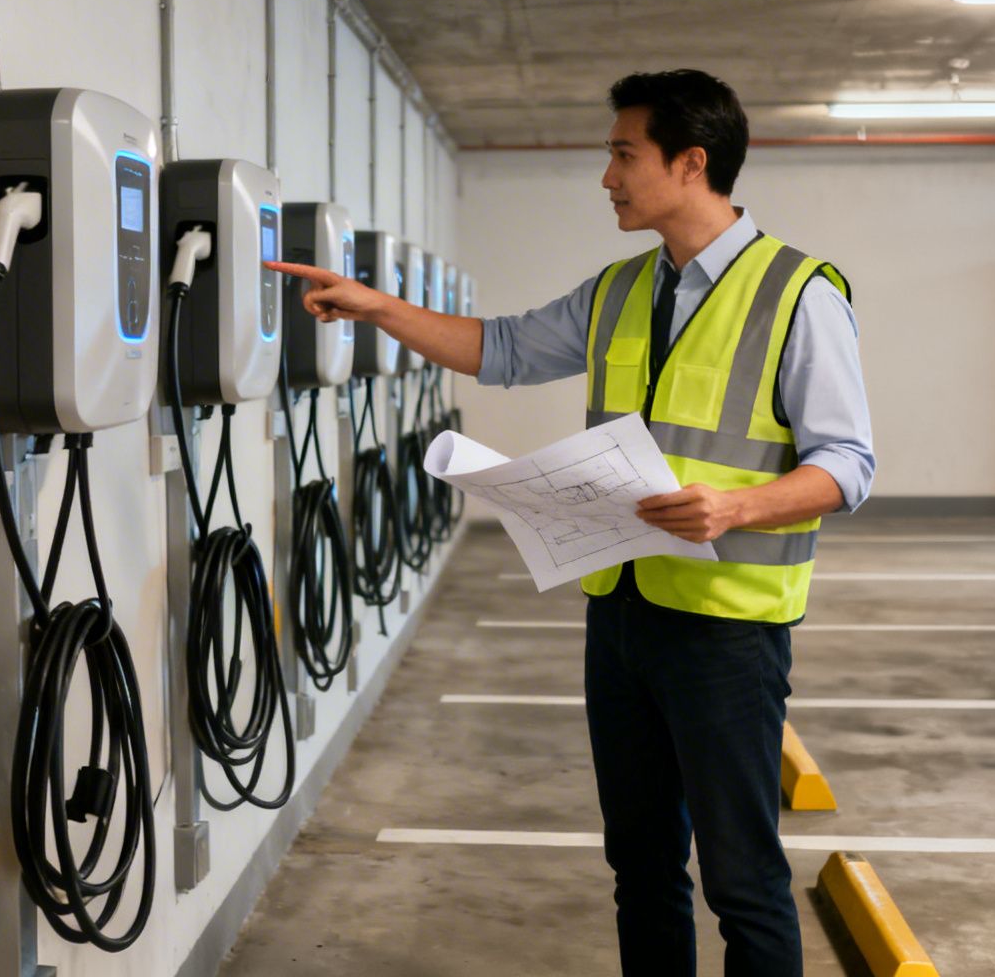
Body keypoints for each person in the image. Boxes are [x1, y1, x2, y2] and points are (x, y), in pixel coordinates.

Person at [268, 68, 875, 977]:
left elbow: (849, 463)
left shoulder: (799, 294)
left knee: (742, 879)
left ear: (691, 162)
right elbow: (501, 350)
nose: (609, 177)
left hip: (727, 631)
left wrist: (736, 505)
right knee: (640, 865)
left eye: (624, 155)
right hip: (623, 615)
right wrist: (381, 309)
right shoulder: (623, 290)